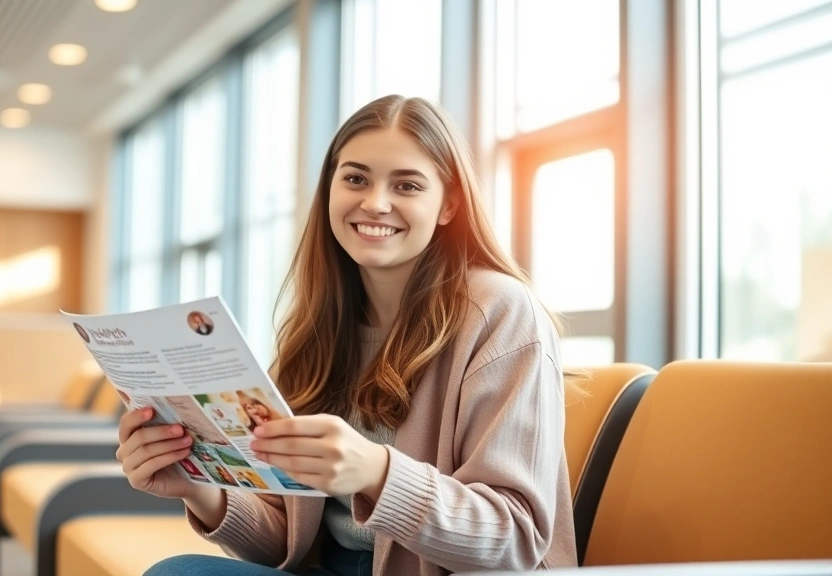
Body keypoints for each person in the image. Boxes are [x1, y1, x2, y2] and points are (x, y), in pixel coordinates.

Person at [117, 95, 579, 575]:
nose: (375, 203)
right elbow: (289, 542)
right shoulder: (320, 326)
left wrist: (377, 472)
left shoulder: (500, 311)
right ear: (330, 191)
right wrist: (199, 487)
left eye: (407, 185)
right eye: (356, 178)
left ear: (448, 206)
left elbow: (516, 538)